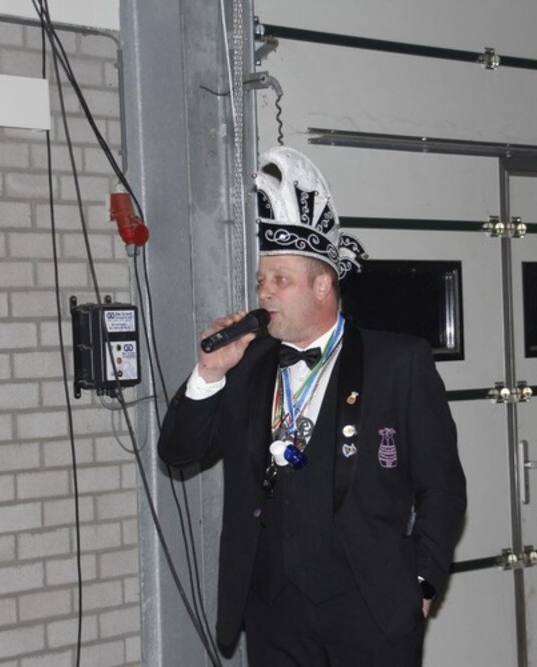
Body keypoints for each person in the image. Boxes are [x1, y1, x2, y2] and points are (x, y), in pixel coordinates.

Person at [158, 147, 466, 666]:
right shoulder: (246, 364)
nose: (265, 293)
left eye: (281, 280)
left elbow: (443, 486)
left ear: (323, 285)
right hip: (274, 611)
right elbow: (177, 452)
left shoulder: (398, 363)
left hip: (371, 607)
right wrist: (209, 373)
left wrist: (424, 579)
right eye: (262, 280)